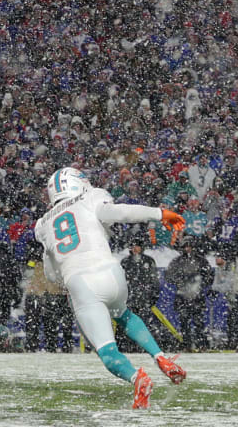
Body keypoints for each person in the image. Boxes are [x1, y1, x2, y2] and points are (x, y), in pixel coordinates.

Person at [35, 167, 187, 409]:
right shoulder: (90, 196)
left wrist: (67, 279)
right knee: (124, 314)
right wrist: (159, 214)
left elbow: (51, 274)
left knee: (107, 352)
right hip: (111, 271)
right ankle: (161, 357)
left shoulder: (43, 223)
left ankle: (138, 379)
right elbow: (119, 212)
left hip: (81, 281)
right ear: (77, 182)